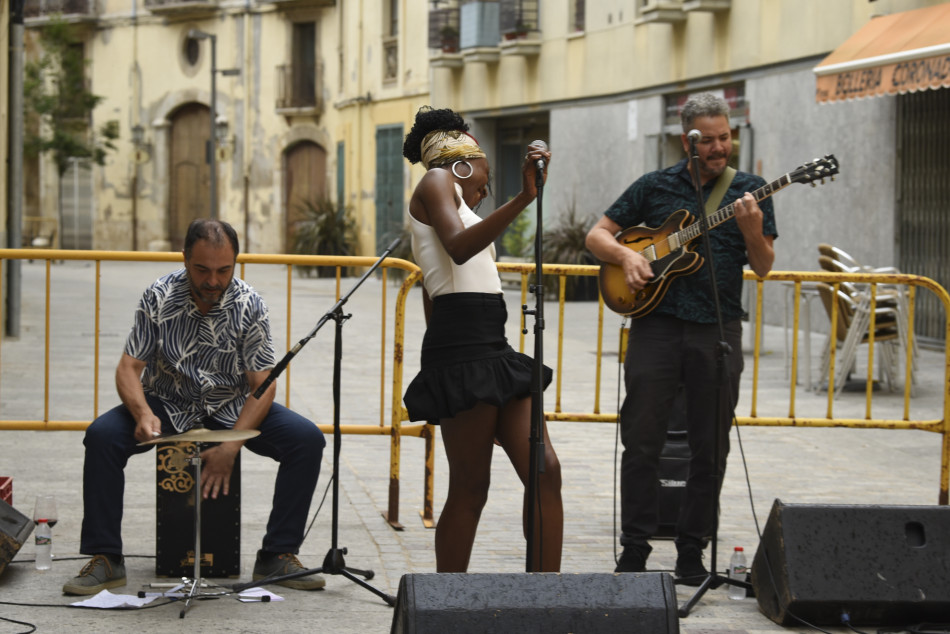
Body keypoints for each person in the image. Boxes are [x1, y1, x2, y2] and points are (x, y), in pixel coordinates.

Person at [63, 219, 327, 595]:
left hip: (232, 406)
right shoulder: (158, 296)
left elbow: (263, 386)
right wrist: (141, 413)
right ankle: (106, 557)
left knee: (306, 440)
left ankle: (277, 554)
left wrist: (231, 446)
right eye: (202, 269)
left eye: (224, 270)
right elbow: (128, 368)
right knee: (101, 438)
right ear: (185, 258)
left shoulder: (250, 304)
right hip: (167, 402)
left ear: (236, 262)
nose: (213, 280)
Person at [585, 92, 777, 584]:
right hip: (656, 328)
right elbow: (596, 236)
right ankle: (634, 548)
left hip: (717, 329)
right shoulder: (654, 187)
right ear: (685, 139)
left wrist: (753, 230)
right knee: (642, 441)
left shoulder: (751, 190)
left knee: (710, 448)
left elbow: (763, 265)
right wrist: (627, 257)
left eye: (725, 137)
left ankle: (692, 552)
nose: (718, 148)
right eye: (708, 140)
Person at [401, 106, 563, 573]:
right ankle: (446, 601)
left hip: (491, 344)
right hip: (462, 348)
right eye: (482, 180)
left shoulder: (461, 203)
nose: (485, 190)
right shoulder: (435, 183)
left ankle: (545, 596)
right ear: (463, 162)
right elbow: (457, 247)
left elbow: (439, 286)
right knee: (471, 487)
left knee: (544, 471)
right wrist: (523, 198)